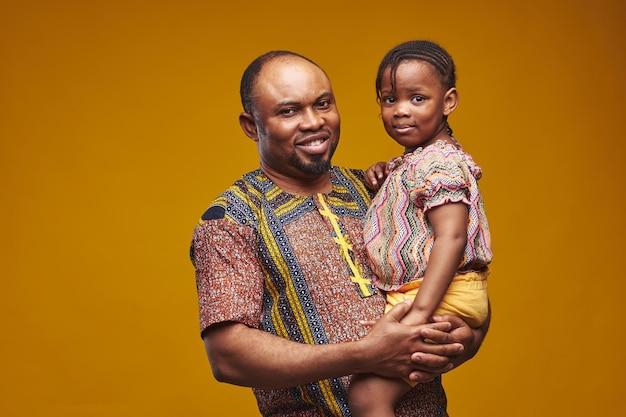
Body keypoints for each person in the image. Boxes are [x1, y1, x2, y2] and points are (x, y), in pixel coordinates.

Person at [189, 49, 490, 417]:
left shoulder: (379, 190)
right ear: (252, 125)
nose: (313, 122)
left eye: (323, 103)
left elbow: (460, 274)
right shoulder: (232, 219)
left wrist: (466, 338)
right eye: (289, 111)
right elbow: (227, 357)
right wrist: (363, 354)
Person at [347, 40, 492, 417]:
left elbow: (452, 236)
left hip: (437, 296)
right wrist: (384, 172)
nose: (399, 111)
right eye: (388, 99)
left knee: (367, 396)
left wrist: (419, 314)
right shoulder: (420, 160)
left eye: (417, 98)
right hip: (435, 294)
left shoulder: (438, 162)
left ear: (448, 102)